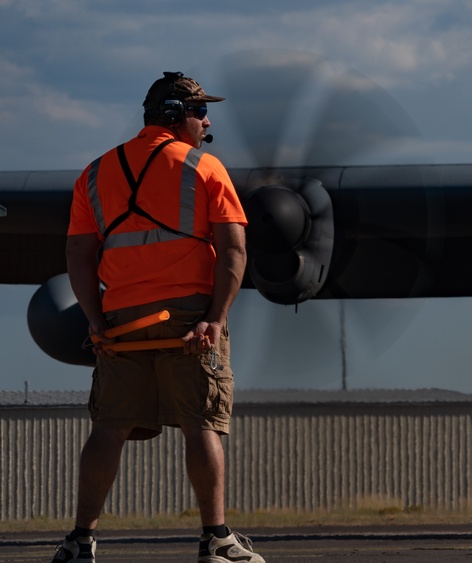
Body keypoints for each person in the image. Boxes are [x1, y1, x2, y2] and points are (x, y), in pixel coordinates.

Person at [54, 72, 263, 563]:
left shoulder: (94, 173)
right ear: (174, 114)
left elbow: (77, 254)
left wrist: (95, 321)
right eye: (200, 112)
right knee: (202, 424)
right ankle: (216, 540)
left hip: (121, 321)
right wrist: (215, 318)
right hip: (190, 318)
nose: (207, 122)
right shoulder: (205, 168)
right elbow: (234, 250)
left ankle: (79, 541)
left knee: (109, 427)